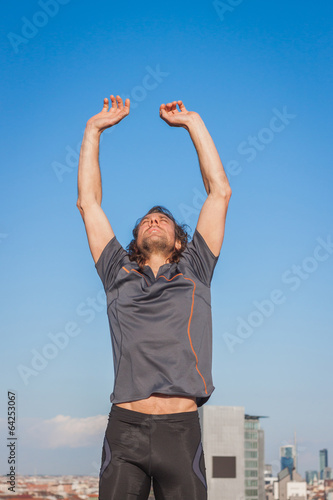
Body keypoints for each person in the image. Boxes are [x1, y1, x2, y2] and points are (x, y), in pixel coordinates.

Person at [77, 95, 232, 500]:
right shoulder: (117, 273)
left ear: (180, 241)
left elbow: (219, 193)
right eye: (147, 219)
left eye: (163, 218)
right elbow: (89, 203)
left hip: (180, 435)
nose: (154, 218)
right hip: (124, 430)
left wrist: (192, 123)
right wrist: (93, 130)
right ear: (136, 241)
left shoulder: (195, 270)